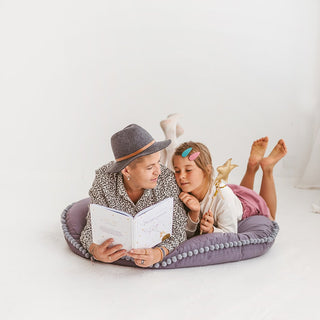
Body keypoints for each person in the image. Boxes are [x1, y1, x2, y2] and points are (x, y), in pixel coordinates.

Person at [159, 115, 287, 238]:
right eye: (177, 171)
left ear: (207, 170)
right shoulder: (184, 189)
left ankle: (267, 169)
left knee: (271, 219)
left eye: (188, 170)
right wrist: (194, 214)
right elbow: (186, 231)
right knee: (239, 197)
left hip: (246, 205)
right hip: (233, 196)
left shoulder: (223, 198)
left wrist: (212, 230)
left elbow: (231, 233)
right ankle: (252, 166)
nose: (181, 176)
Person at [80, 124, 187, 267]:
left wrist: (159, 253)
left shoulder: (166, 179)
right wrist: (95, 250)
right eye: (150, 167)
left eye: (158, 163)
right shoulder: (103, 180)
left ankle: (171, 131)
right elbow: (89, 230)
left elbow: (180, 228)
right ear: (126, 171)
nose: (158, 171)